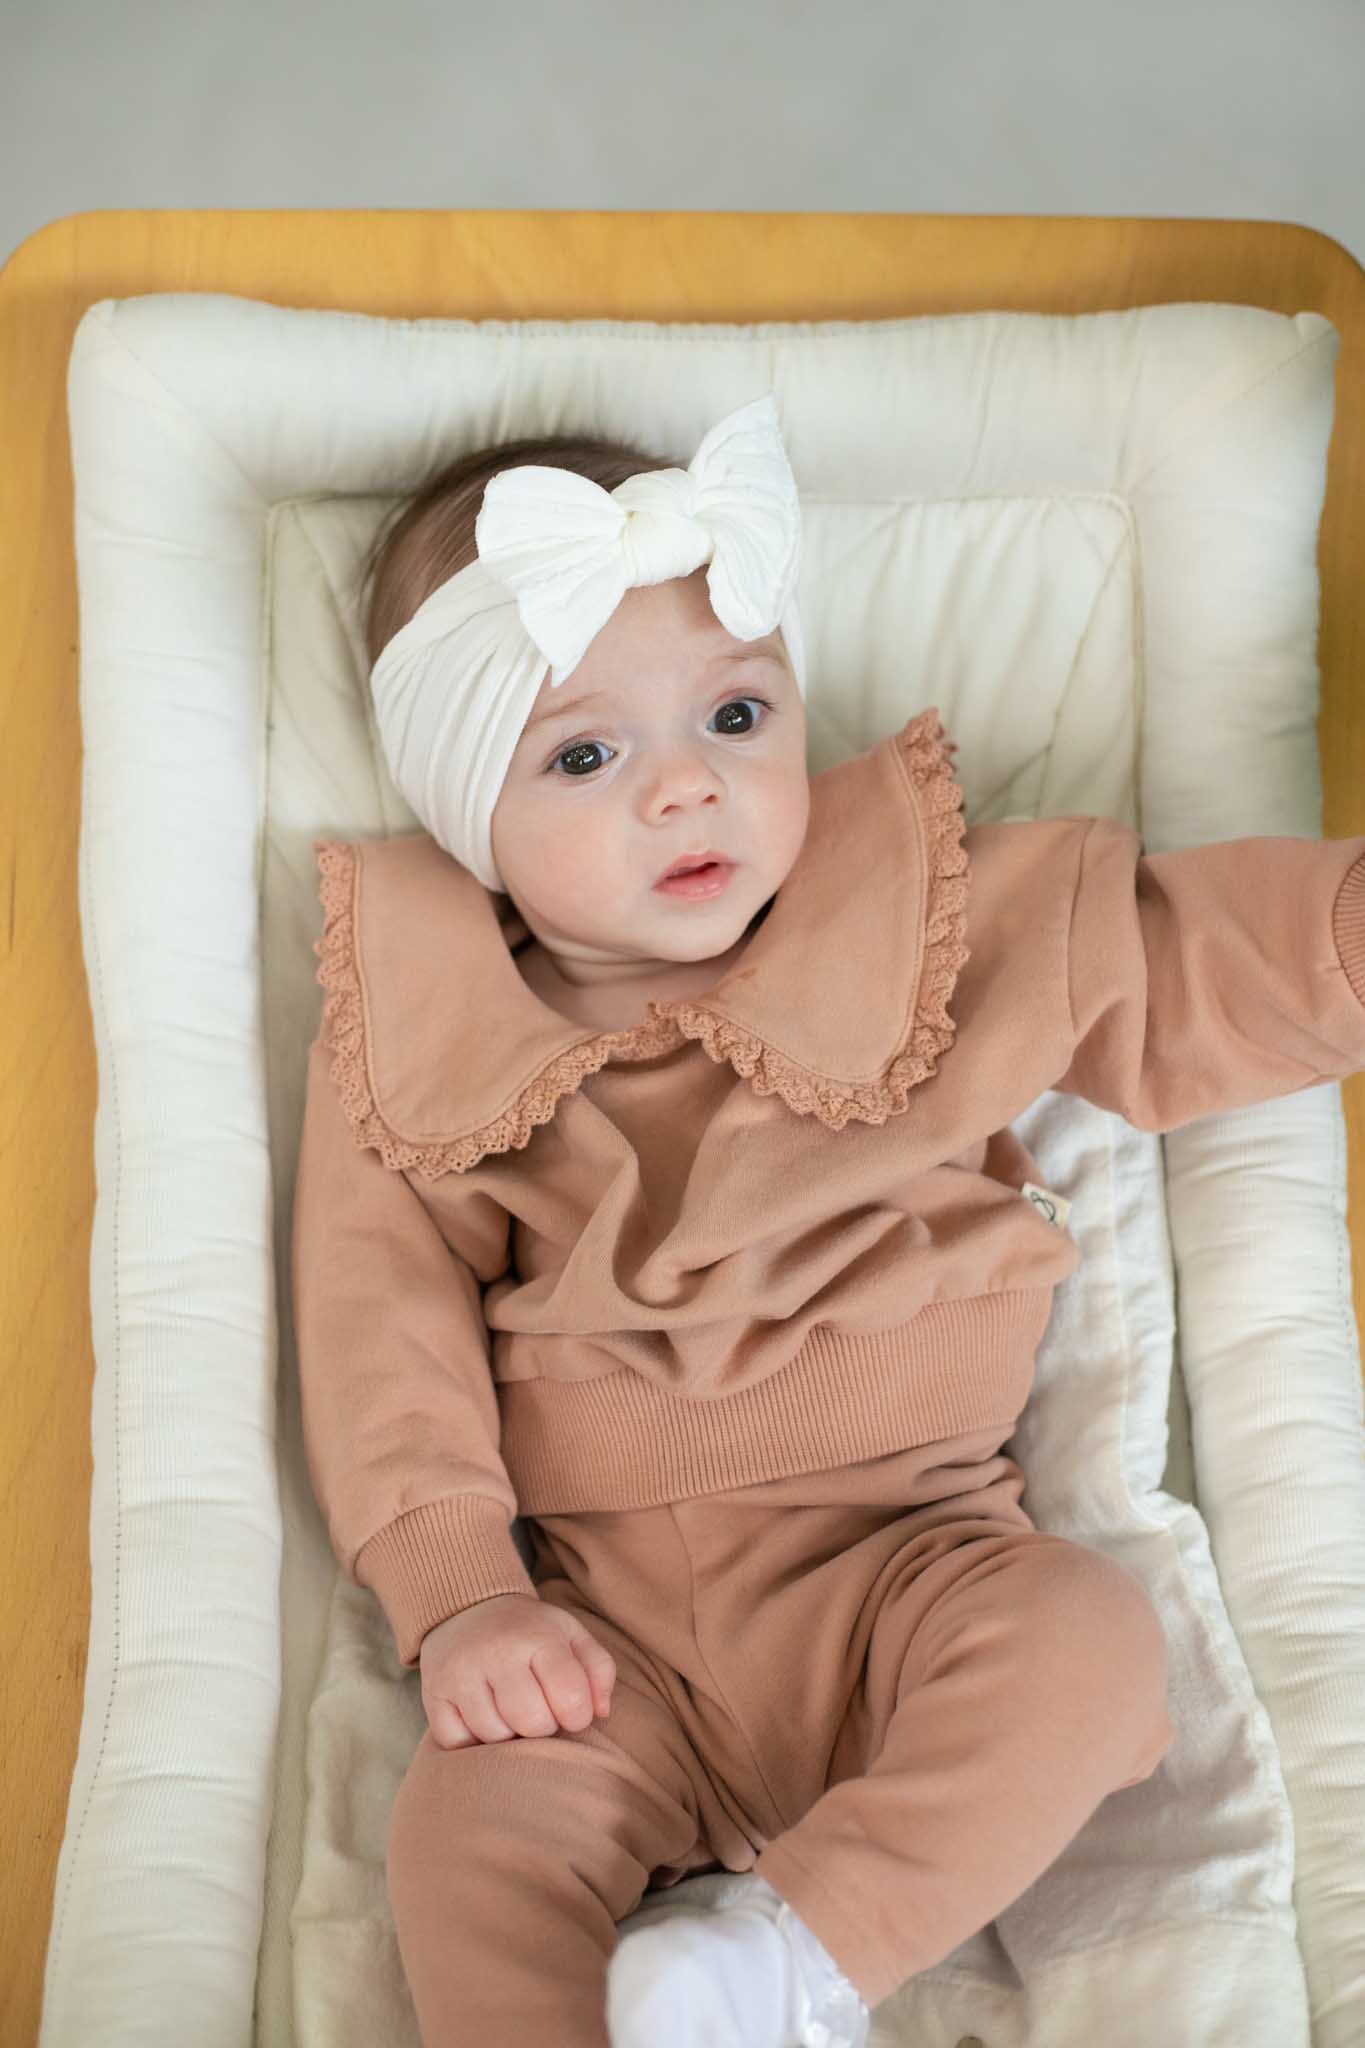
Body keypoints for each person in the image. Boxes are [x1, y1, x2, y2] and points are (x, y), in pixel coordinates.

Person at [290, 394, 1365, 2048]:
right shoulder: (422, 1028)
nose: (686, 790)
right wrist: (459, 1598)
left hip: (908, 1556)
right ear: (459, 812)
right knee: (468, 1830)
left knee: (1087, 1648)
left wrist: (1339, 933)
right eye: (584, 755)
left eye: (734, 714)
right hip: (597, 1640)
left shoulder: (920, 920)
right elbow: (379, 1330)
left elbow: (1178, 962)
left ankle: (792, 1960)